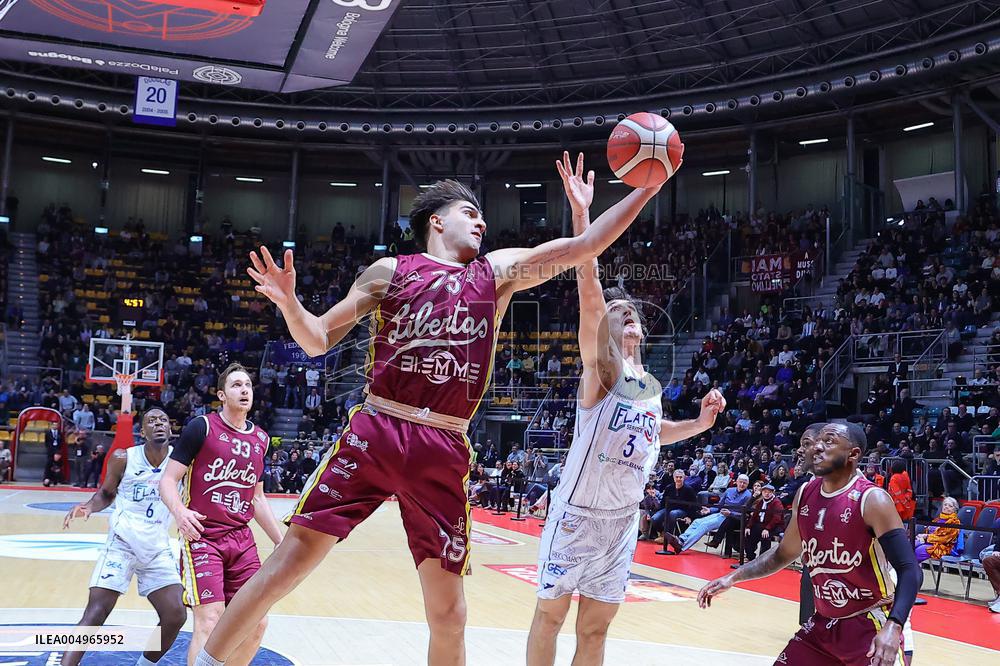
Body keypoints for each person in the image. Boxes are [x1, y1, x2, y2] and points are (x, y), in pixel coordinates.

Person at [199, 153, 662, 666]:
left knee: (449, 613)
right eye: (471, 212)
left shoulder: (497, 271)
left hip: (443, 443)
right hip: (378, 427)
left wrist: (647, 185)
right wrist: (291, 304)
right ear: (436, 221)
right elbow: (315, 340)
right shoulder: (390, 271)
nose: (483, 222)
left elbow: (585, 247)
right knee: (288, 563)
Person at [528, 153, 722, 666]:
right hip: (576, 514)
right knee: (550, 617)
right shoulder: (602, 372)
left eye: (631, 311)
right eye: (617, 313)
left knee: (595, 631)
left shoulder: (649, 383)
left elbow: (657, 433)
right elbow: (588, 287)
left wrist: (700, 424)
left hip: (621, 519)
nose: (625, 314)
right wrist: (581, 219)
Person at [697, 422, 922, 666]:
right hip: (823, 624)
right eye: (817, 441)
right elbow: (781, 555)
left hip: (868, 622)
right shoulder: (805, 493)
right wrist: (733, 577)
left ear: (853, 454)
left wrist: (894, 625)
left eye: (829, 441)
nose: (817, 447)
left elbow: (910, 569)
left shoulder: (872, 499)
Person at [160, 363, 284, 666]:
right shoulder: (201, 427)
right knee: (210, 619)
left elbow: (257, 498)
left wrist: (282, 542)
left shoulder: (261, 440)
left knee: (257, 623)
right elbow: (167, 480)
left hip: (241, 541)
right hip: (203, 538)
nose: (244, 390)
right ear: (221, 394)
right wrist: (179, 512)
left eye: (248, 386)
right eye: (236, 385)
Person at [61, 380, 186, 666]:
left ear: (170, 429)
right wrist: (88, 506)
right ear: (142, 431)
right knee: (96, 612)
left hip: (156, 549)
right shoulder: (123, 458)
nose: (158, 424)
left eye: (163, 420)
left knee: (175, 615)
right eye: (151, 420)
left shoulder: (180, 464)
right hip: (121, 545)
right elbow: (106, 493)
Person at [660, 474, 751, 554]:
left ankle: (682, 547)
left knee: (704, 525)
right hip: (720, 513)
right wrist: (709, 510)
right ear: (737, 482)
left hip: (731, 518)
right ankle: (681, 539)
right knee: (697, 521)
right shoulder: (729, 490)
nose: (742, 484)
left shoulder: (748, 495)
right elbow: (719, 505)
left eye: (744, 483)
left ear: (747, 484)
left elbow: (744, 512)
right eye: (741, 482)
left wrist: (730, 513)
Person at [743, 483, 784, 560]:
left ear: (772, 493)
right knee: (748, 534)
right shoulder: (761, 502)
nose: (767, 494)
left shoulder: (777, 502)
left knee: (765, 537)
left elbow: (777, 519)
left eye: (769, 492)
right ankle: (750, 557)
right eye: (765, 492)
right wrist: (748, 526)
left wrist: (767, 529)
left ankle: (763, 560)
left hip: (774, 526)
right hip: (761, 524)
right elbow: (754, 515)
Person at [914, 497, 961, 563]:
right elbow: (928, 531)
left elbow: (945, 539)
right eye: (945, 505)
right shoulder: (937, 519)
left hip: (942, 546)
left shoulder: (954, 522)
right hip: (929, 542)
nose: (946, 507)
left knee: (919, 551)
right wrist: (922, 536)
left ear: (955, 510)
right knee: (910, 544)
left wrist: (927, 537)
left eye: (950, 506)